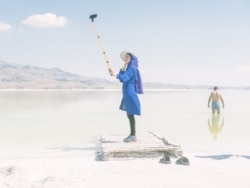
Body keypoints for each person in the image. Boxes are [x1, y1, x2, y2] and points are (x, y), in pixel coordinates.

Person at [109, 51, 143, 142]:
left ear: (131, 59)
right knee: (129, 114)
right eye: (125, 57)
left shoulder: (132, 68)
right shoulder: (129, 67)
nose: (126, 58)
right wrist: (123, 67)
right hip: (127, 92)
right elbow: (122, 78)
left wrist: (115, 74)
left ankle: (133, 135)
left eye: (128, 57)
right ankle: (132, 135)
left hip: (129, 92)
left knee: (130, 114)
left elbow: (124, 78)